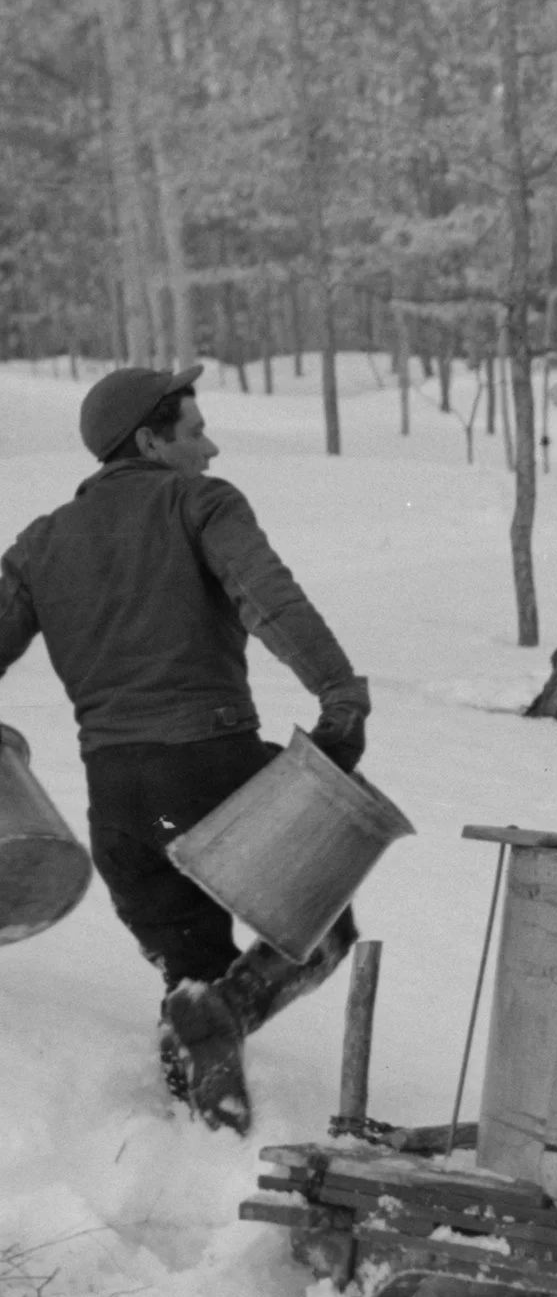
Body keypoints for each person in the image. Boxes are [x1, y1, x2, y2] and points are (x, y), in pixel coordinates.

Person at [0, 365, 371, 1134]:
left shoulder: (38, 545)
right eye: (196, 432)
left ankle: (206, 1151)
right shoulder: (197, 502)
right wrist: (340, 694)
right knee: (319, 923)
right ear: (149, 440)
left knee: (190, 984)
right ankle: (224, 1011)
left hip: (119, 809)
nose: (212, 448)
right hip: (213, 773)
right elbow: (269, 597)